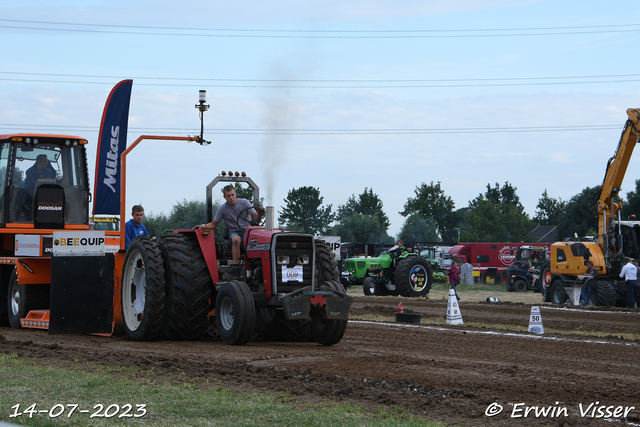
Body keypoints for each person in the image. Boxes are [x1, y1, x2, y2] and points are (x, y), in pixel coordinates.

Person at [193, 185, 265, 269]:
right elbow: (213, 224)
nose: (231, 197)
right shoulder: (223, 208)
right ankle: (236, 267)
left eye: (232, 195)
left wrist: (260, 213)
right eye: (228, 196)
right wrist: (203, 226)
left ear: (236, 194)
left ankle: (257, 265)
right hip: (234, 232)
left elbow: (256, 218)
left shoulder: (244, 202)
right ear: (224, 197)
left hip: (248, 231)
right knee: (236, 239)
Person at [14, 154, 55, 219]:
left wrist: (33, 181)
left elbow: (47, 184)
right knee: (17, 190)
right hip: (30, 191)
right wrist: (38, 182)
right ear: (38, 161)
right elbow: (27, 184)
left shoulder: (48, 172)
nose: (46, 163)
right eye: (44, 161)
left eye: (46, 162)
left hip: (43, 192)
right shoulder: (31, 171)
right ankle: (19, 212)